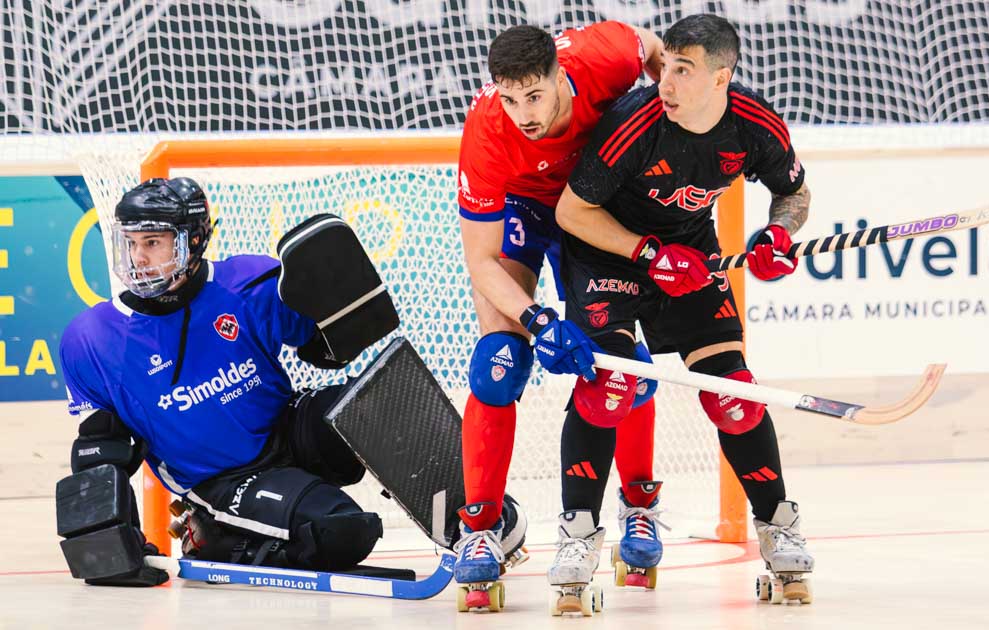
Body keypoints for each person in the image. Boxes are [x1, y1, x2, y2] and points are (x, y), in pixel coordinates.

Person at [551, 14, 815, 605]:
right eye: (665, 65)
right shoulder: (634, 124)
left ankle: (778, 526)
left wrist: (778, 233)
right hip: (609, 256)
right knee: (608, 387)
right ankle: (577, 535)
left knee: (735, 396)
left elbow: (793, 192)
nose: (664, 82)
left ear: (723, 77)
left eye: (683, 70)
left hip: (692, 255)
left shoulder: (754, 124)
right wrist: (647, 252)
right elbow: (572, 213)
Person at [56, 178, 398, 585]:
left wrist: (344, 311)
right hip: (222, 481)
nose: (138, 258)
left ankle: (472, 517)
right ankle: (216, 536)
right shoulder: (92, 338)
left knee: (386, 401)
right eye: (130, 243)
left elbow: (324, 350)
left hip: (290, 432)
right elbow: (102, 450)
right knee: (344, 533)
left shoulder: (248, 282)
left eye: (153, 242)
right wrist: (108, 550)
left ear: (194, 240)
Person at [452, 20, 667, 603]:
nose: (523, 112)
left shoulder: (604, 56)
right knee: (497, 363)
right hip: (524, 205)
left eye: (535, 96)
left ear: (561, 77)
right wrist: (539, 321)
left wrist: (667, 135)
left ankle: (639, 506)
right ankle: (480, 529)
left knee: (623, 367)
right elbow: (484, 261)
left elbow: (653, 50)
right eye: (510, 97)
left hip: (594, 200)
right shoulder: (489, 130)